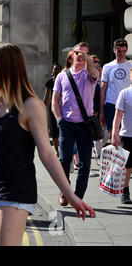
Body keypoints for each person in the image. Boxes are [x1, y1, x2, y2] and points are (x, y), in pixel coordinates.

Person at [0, 43, 95, 246]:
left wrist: (70, 195)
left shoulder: (30, 105)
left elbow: (46, 153)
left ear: (9, 67)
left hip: (14, 191)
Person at [52, 42, 98, 205]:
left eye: (85, 54)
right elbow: (55, 101)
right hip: (67, 124)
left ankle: (77, 196)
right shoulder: (62, 76)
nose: (81, 56)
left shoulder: (90, 74)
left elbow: (93, 72)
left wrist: (89, 60)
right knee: (64, 160)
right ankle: (65, 190)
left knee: (85, 163)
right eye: (78, 53)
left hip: (85, 125)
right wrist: (59, 119)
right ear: (71, 55)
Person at [100, 39, 132, 134]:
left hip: (127, 105)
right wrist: (101, 110)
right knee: (113, 133)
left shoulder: (130, 66)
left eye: (123, 51)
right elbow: (103, 88)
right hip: (111, 104)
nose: (121, 54)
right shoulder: (107, 67)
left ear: (126, 50)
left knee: (124, 134)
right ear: (114, 50)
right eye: (118, 51)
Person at [111, 67, 132, 204]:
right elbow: (117, 115)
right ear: (130, 75)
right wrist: (114, 134)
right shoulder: (124, 93)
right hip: (127, 135)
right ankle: (125, 192)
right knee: (128, 166)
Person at [43, 63, 62, 157]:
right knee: (54, 130)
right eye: (55, 69)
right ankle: (57, 150)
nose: (56, 70)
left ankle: (62, 149)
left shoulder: (63, 80)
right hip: (52, 108)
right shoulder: (49, 82)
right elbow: (46, 98)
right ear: (52, 70)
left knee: (62, 129)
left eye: (58, 69)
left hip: (63, 107)